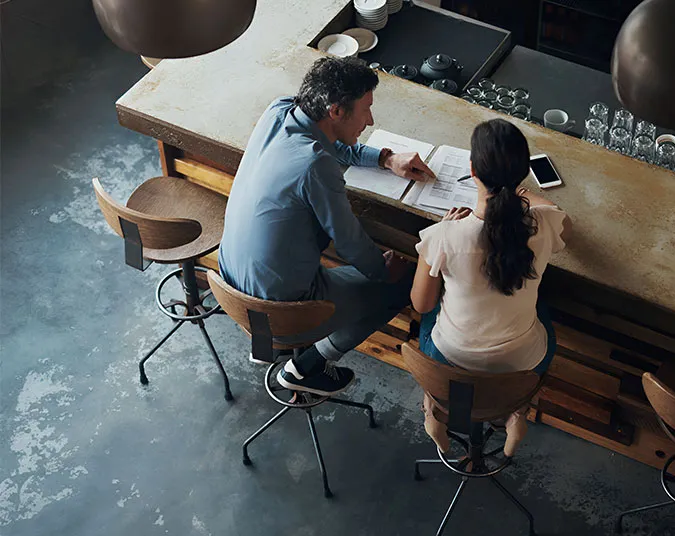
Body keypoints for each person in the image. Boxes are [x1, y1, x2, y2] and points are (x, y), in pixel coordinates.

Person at [219, 57, 435, 396]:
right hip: (282, 308)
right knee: (402, 284)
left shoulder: (279, 111)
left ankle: (269, 346)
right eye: (365, 110)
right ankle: (307, 367)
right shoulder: (315, 165)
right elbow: (349, 243)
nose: (371, 120)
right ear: (335, 111)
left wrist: (384, 158)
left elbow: (330, 143)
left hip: (230, 281)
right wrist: (383, 269)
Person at [410, 118, 572, 456]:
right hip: (522, 366)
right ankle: (516, 413)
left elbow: (422, 304)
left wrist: (442, 232)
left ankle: (434, 412)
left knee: (432, 317)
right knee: (541, 307)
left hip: (450, 360)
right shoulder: (540, 225)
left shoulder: (445, 236)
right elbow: (564, 221)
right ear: (523, 173)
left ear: (472, 170)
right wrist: (531, 199)